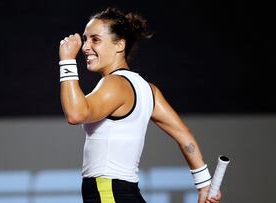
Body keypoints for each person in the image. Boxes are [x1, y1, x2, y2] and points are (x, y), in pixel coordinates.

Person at [59, 7, 222, 203]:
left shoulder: (114, 84)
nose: (85, 47)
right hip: (126, 194)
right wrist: (204, 184)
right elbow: (184, 135)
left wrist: (67, 60)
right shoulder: (148, 90)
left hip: (108, 192)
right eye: (85, 39)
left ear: (120, 45)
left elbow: (76, 114)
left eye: (95, 39)